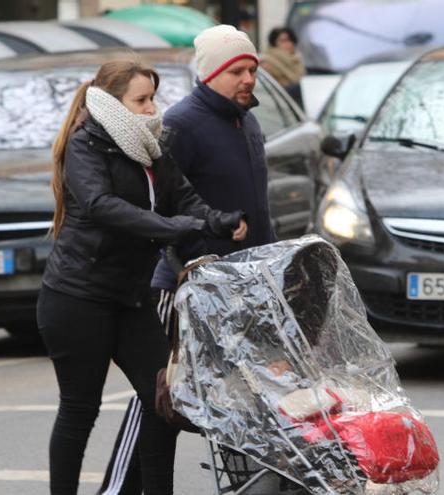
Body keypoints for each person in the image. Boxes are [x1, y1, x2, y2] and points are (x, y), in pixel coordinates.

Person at [38, 58, 248, 495]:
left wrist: (219, 220)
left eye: (153, 97)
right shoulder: (87, 145)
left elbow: (186, 200)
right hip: (78, 297)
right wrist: (187, 227)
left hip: (129, 298)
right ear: (111, 103)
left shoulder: (150, 149)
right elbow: (103, 207)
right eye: (142, 99)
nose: (153, 108)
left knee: (163, 405)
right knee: (80, 409)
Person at [99, 25, 277, 495]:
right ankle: (116, 490)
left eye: (252, 69)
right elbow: (156, 208)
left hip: (240, 287)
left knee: (240, 397)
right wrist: (178, 266)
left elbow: (258, 211)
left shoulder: (248, 122)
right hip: (185, 287)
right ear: (211, 73)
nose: (247, 79)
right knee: (157, 397)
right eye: (236, 70)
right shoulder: (182, 125)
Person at [260, 27, 305, 105]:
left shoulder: (296, 61)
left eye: (290, 40)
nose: (288, 44)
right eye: (283, 41)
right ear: (274, 43)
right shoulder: (267, 63)